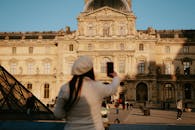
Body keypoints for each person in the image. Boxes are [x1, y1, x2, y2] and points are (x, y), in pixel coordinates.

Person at [54, 56, 120, 130]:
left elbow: (58, 114)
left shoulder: (65, 88)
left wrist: (70, 115)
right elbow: (113, 88)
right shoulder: (97, 86)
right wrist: (115, 77)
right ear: (91, 70)